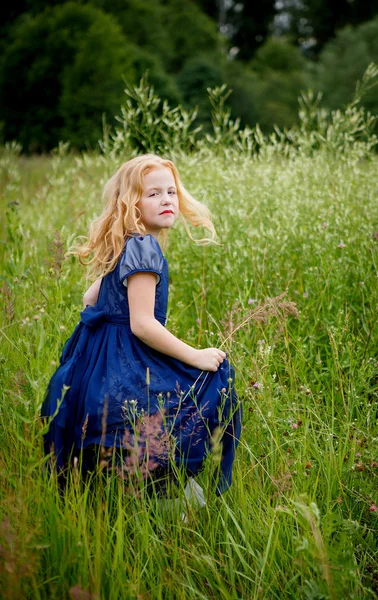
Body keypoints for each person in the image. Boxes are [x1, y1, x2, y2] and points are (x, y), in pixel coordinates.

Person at [41, 154, 242, 496]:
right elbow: (143, 326)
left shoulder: (124, 246)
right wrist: (195, 355)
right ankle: (171, 491)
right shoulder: (144, 248)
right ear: (131, 205)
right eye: (153, 194)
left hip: (95, 364)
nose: (166, 200)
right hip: (126, 360)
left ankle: (136, 489)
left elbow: (90, 300)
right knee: (217, 378)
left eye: (171, 192)